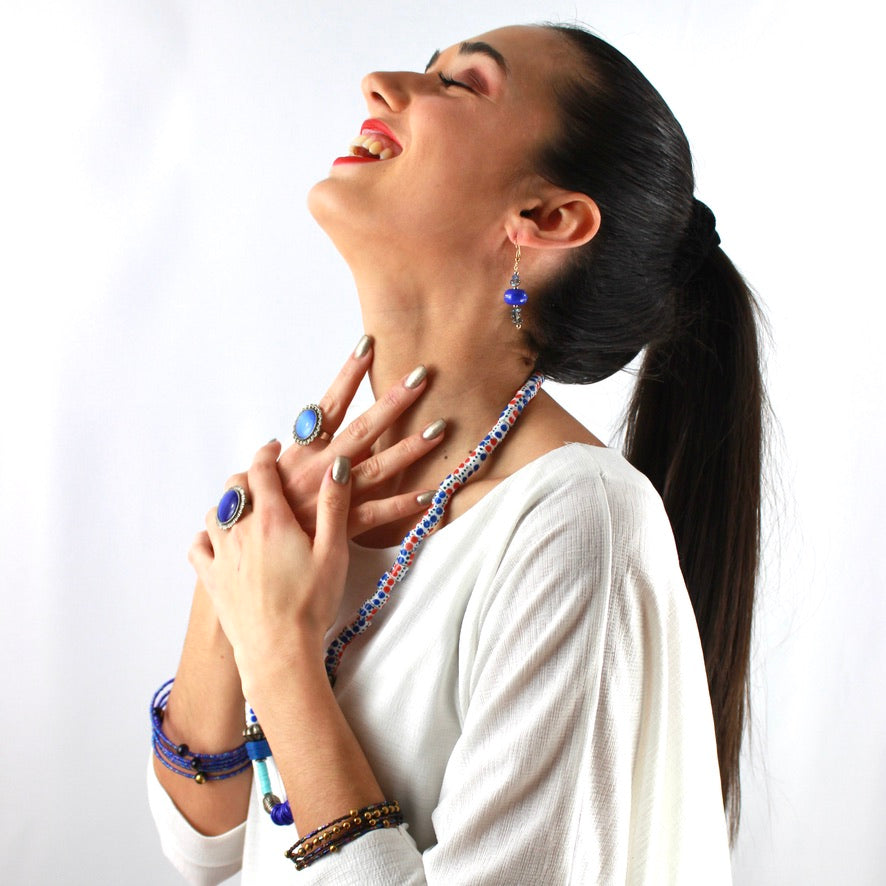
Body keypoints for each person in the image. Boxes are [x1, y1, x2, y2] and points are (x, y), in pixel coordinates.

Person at [148, 23, 763, 885]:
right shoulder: (318, 507)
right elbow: (203, 845)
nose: (380, 82)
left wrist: (281, 653)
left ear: (547, 219)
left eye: (462, 85)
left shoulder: (578, 523)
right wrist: (234, 576)